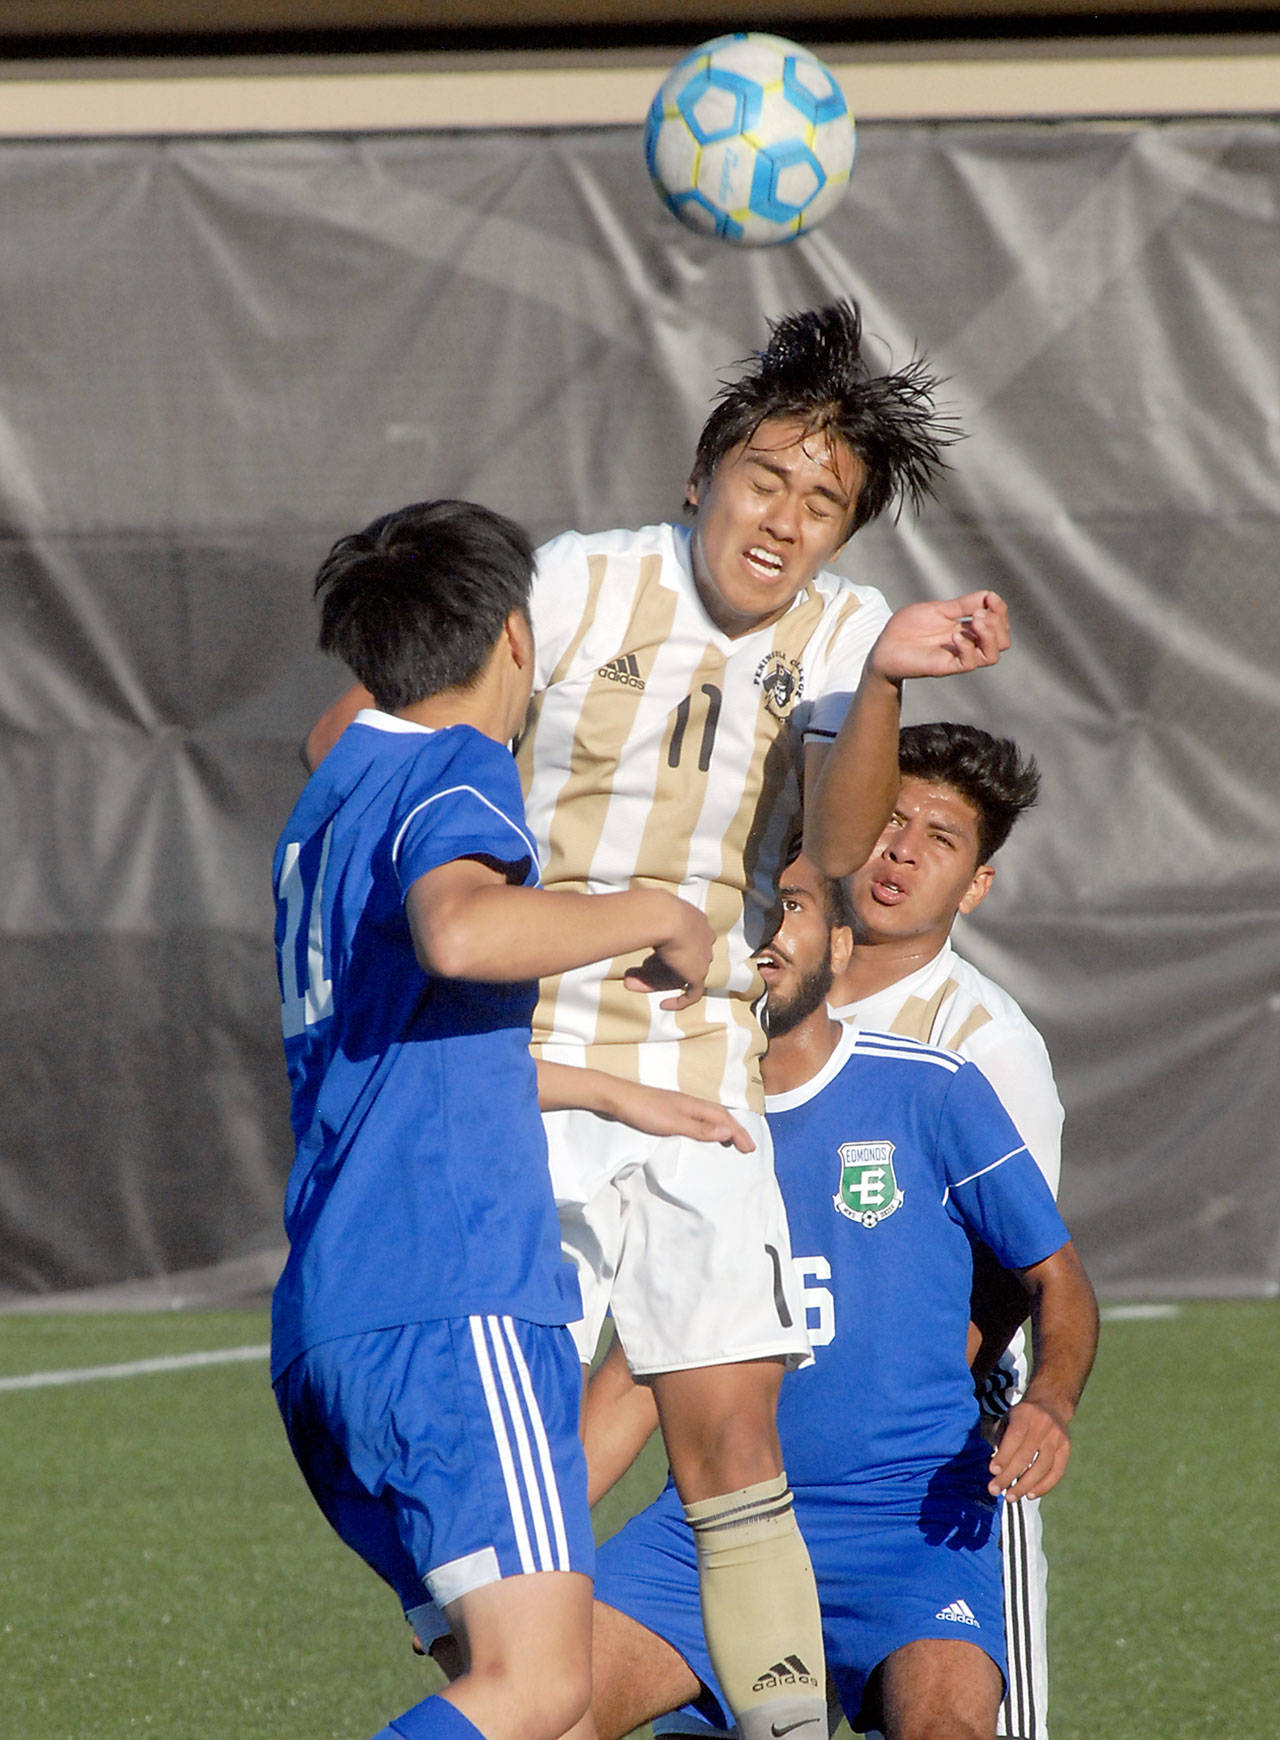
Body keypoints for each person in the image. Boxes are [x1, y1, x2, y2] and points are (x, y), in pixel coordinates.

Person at [307, 303, 1010, 1740]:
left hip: (699, 1069)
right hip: (526, 1065)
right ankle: (513, 1684)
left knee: (728, 1436)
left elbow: (839, 841)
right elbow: (364, 733)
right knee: (517, 1454)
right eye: (767, 478)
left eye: (826, 503)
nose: (787, 518)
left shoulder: (843, 631)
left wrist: (879, 682)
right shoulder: (577, 582)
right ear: (701, 478)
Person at [271, 498, 737, 1740]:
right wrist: (657, 909)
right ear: (517, 641)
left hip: (333, 1321)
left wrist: (603, 1089)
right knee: (542, 1687)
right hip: (450, 1300)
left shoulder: (328, 804)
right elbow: (463, 931)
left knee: (523, 1702)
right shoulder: (455, 765)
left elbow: (396, 1054)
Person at [582, 852, 1099, 1740]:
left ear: (841, 941)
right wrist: (505, 1562)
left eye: (786, 907)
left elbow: (1057, 1279)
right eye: (744, 913)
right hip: (712, 1524)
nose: (763, 936)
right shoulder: (669, 1119)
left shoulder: (929, 1088)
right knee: (536, 1702)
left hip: (908, 1526)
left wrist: (1049, 1402)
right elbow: (639, 1368)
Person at [827, 721, 1060, 1740]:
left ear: (974, 887)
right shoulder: (764, 997)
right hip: (755, 1434)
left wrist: (898, 1392)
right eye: (886, 817)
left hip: (935, 1458)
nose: (902, 849)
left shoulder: (987, 1042)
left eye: (941, 836)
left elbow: (1022, 1266)